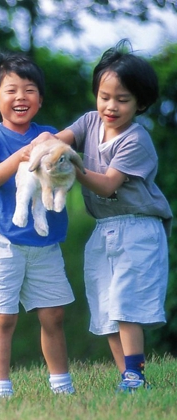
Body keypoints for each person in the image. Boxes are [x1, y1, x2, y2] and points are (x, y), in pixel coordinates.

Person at [42, 39, 172, 393]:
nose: (110, 106)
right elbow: (60, 139)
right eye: (104, 96)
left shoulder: (136, 140)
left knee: (127, 303)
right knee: (107, 307)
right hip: (105, 228)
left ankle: (136, 374)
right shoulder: (89, 122)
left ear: (141, 104)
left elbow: (107, 185)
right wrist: (45, 146)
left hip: (138, 228)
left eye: (122, 99)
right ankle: (128, 378)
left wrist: (72, 164)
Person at [0, 50, 76, 400]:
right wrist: (22, 154)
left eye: (29, 90)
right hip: (0, 240)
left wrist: (53, 149)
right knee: (3, 318)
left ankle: (62, 386)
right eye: (11, 90)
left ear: (40, 100)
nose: (20, 97)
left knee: (54, 314)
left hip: (44, 240)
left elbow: (66, 162)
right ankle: (1, 390)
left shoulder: (49, 135)